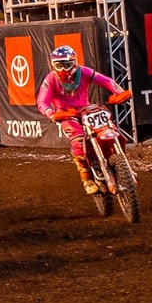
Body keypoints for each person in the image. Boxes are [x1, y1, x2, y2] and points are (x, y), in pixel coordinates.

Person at [35, 43, 132, 199]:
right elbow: (42, 101)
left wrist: (119, 92)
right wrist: (51, 114)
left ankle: (124, 165)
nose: (63, 69)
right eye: (59, 65)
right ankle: (86, 178)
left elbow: (105, 80)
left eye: (67, 64)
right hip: (65, 114)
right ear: (53, 65)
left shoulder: (84, 72)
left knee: (110, 128)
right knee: (78, 141)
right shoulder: (51, 79)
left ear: (74, 62)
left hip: (85, 110)